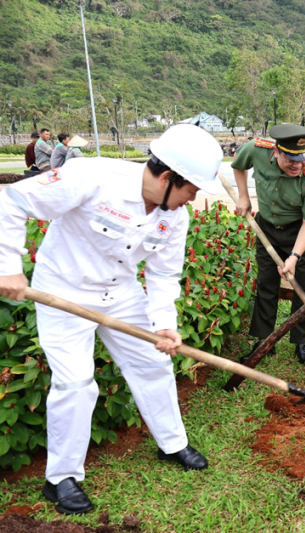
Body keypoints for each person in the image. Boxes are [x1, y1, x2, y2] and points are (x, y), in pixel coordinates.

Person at [0, 124, 222, 515]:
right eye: (192, 190)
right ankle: (61, 478)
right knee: (75, 384)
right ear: (168, 177)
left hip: (120, 293)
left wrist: (164, 324)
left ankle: (173, 444)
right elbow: (13, 201)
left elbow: (163, 275)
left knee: (153, 363)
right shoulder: (92, 177)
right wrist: (8, 267)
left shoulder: (175, 216)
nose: (193, 199)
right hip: (62, 292)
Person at [233, 125, 305, 366]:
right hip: (266, 227)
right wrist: (243, 195)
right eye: (291, 159)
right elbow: (238, 164)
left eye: (303, 159)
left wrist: (294, 257)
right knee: (266, 283)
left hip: (299, 231)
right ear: (276, 151)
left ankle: (302, 342)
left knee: (303, 288)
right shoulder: (257, 150)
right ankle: (264, 340)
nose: (298, 165)